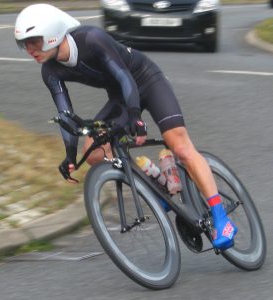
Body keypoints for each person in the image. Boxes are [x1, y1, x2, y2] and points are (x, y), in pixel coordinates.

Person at [14, 3, 237, 250]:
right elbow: (65, 115)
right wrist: (69, 155)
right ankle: (158, 184)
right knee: (95, 151)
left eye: (34, 41)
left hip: (146, 80)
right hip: (121, 96)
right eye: (24, 44)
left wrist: (135, 117)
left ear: (53, 33)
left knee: (180, 146)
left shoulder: (90, 38)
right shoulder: (49, 71)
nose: (30, 50)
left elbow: (124, 76)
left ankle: (220, 217)